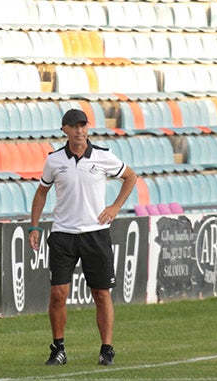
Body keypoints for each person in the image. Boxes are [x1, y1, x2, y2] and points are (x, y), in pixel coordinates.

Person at [28, 108, 137, 367]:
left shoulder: (103, 156)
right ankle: (59, 349)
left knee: (101, 293)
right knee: (58, 293)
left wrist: (115, 207)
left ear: (88, 128)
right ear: (64, 129)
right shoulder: (54, 160)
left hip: (95, 234)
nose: (79, 131)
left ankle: (107, 350)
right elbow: (41, 192)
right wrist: (34, 227)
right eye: (73, 126)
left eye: (83, 125)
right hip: (63, 234)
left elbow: (130, 177)